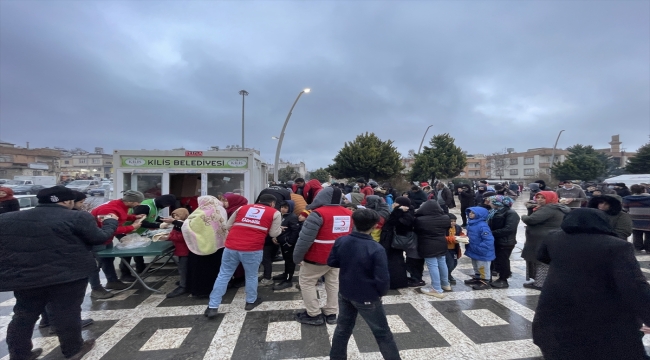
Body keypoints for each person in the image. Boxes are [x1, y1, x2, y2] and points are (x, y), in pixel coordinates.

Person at [0, 186, 118, 360]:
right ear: (67, 201)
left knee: (23, 315)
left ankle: (20, 354)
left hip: (25, 276)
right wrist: (110, 222)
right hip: (68, 275)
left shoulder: (7, 219)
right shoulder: (77, 217)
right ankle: (73, 349)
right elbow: (98, 238)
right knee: (67, 312)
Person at [532, 208, 650, 360]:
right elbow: (634, 285)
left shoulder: (554, 237)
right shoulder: (617, 246)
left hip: (556, 310)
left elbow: (542, 256)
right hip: (602, 315)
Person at [328, 209, 401, 360]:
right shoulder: (376, 248)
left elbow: (332, 261)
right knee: (382, 333)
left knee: (342, 329)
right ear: (374, 226)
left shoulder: (341, 240)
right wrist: (380, 294)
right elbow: (382, 278)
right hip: (367, 296)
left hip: (345, 291)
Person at [205, 194, 282, 318]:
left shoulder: (242, 208)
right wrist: (279, 230)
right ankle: (251, 302)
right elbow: (273, 233)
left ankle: (212, 306)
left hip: (231, 246)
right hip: (252, 248)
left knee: (224, 275)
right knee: (251, 275)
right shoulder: (275, 213)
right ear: (272, 203)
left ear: (258, 201)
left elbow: (228, 226)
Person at [294, 187, 353, 326]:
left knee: (307, 282)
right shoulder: (349, 213)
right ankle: (331, 313)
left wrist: (297, 257)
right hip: (338, 257)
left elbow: (304, 239)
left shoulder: (317, 214)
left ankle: (313, 314)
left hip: (317, 257)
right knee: (333, 283)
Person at [90, 190, 146, 291]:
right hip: (98, 240)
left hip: (106, 239)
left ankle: (112, 281)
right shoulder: (109, 209)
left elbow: (120, 217)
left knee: (108, 260)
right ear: (130, 201)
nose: (139, 204)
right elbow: (109, 229)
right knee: (98, 264)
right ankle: (96, 288)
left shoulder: (120, 206)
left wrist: (134, 217)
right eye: (137, 202)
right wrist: (132, 227)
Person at [120, 194, 177, 282]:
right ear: (163, 203)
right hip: (126, 231)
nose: (166, 207)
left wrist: (163, 220)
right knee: (128, 253)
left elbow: (152, 216)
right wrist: (159, 225)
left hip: (137, 232)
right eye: (167, 205)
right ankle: (125, 274)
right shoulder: (145, 206)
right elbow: (140, 222)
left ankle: (141, 268)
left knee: (138, 249)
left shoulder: (155, 206)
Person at [521, 191, 570, 290]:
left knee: (540, 260)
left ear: (550, 198)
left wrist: (523, 216)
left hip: (542, 239)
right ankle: (541, 281)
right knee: (542, 260)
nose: (539, 200)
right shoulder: (556, 207)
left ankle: (540, 284)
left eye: (542, 198)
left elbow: (531, 220)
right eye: (538, 197)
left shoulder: (549, 208)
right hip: (547, 237)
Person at [182, 196, 229, 298]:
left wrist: (183, 222)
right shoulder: (220, 210)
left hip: (203, 246)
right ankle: (217, 289)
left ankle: (202, 291)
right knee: (217, 269)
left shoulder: (203, 212)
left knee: (202, 271)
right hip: (219, 244)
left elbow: (191, 225)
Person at [414, 200, 452, 298]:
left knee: (432, 266)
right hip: (441, 242)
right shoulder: (445, 217)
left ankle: (436, 288)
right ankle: (445, 284)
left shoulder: (420, 219)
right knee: (442, 263)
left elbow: (417, 230)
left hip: (427, 244)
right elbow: (447, 229)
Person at [380, 196, 414, 289]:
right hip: (394, 241)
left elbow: (391, 222)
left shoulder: (404, 214)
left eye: (395, 203)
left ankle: (395, 282)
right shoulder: (404, 213)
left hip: (394, 242)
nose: (393, 204)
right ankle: (396, 281)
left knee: (394, 262)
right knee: (396, 260)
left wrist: (397, 211)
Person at [486, 195, 520, 288]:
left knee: (503, 260)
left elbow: (509, 229)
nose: (490, 203)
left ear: (498, 202)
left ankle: (503, 279)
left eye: (491, 201)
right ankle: (494, 275)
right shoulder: (493, 212)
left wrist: (491, 233)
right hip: (495, 240)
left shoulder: (510, 213)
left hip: (505, 242)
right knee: (496, 260)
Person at [463, 207, 496, 290]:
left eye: (473, 213)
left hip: (482, 251)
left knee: (483, 266)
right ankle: (477, 277)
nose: (470, 214)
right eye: (470, 212)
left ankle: (485, 281)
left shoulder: (482, 225)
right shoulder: (471, 223)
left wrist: (481, 248)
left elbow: (489, 239)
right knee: (476, 265)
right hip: (474, 249)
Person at [271, 200, 301, 290]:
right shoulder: (282, 216)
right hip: (283, 243)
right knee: (286, 260)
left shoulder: (292, 217)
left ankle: (288, 280)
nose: (283, 209)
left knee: (289, 262)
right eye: (282, 207)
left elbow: (295, 231)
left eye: (286, 208)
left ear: (290, 208)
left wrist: (289, 243)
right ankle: (285, 274)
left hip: (288, 244)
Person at [162, 208, 191, 298]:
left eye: (177, 215)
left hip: (185, 250)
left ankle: (183, 286)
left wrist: (169, 237)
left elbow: (183, 237)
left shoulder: (184, 225)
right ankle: (185, 282)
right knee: (183, 267)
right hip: (181, 250)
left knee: (183, 268)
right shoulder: (178, 224)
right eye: (173, 215)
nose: (175, 217)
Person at [623, 184, 650, 254]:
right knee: (649, 235)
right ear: (644, 190)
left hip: (635, 218)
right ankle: (648, 249)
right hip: (648, 218)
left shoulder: (627, 199)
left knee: (637, 234)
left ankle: (638, 248)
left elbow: (625, 209)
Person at [444, 214, 463, 285]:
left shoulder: (457, 227)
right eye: (451, 221)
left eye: (454, 221)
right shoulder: (444, 228)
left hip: (454, 249)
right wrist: (453, 238)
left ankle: (448, 274)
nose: (453, 223)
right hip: (446, 249)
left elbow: (461, 234)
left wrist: (463, 237)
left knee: (455, 263)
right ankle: (446, 275)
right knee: (450, 264)